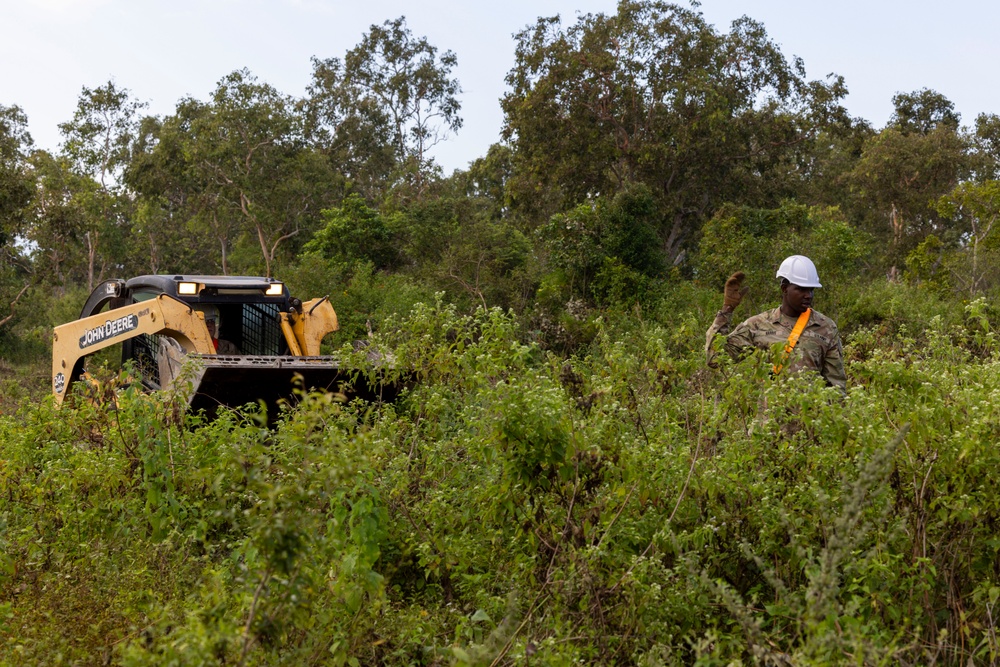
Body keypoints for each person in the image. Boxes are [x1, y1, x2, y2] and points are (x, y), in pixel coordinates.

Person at [705, 255, 846, 392]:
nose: (808, 295)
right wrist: (727, 310)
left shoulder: (826, 327)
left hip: (810, 415)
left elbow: (836, 385)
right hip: (770, 414)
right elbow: (715, 359)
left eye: (811, 289)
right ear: (784, 289)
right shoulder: (758, 324)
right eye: (801, 289)